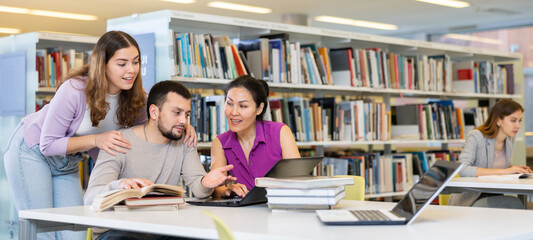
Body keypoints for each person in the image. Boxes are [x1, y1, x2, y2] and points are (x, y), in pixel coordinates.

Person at [3, 31, 197, 240]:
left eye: (136, 62)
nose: (131, 70)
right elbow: (47, 145)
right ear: (102, 65)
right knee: (43, 228)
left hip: (68, 161)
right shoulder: (75, 89)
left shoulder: (138, 99)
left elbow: (156, 122)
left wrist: (184, 125)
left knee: (74, 234)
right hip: (31, 151)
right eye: (122, 64)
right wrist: (97, 140)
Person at [84, 80, 235, 240]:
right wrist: (119, 186)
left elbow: (199, 189)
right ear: (154, 112)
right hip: (119, 230)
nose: (183, 121)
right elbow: (90, 198)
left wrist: (206, 182)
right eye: (176, 113)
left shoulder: (184, 141)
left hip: (162, 229)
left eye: (187, 114)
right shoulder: (118, 142)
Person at [210, 75, 301, 198]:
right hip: (244, 214)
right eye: (229, 103)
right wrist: (227, 190)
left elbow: (298, 180)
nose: (234, 112)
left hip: (279, 210)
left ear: (259, 108)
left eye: (243, 106)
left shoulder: (280, 132)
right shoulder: (220, 142)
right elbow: (215, 187)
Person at [448, 99, 531, 208]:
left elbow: (495, 166)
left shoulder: (509, 141)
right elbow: (462, 169)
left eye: (519, 120)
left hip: (494, 196)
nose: (518, 125)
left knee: (514, 203)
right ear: (498, 120)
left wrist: (514, 169)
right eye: (513, 120)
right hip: (471, 200)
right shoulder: (476, 136)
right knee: (515, 203)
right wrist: (505, 171)